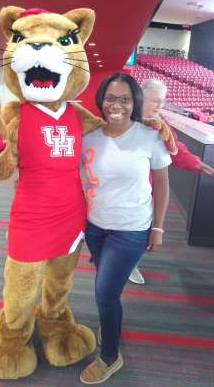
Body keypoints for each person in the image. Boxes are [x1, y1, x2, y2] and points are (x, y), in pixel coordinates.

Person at [80, 73, 171, 384]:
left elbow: (161, 183)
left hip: (131, 230)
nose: (116, 104)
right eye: (110, 98)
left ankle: (110, 356)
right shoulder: (89, 136)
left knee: (105, 294)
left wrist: (157, 228)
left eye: (124, 99)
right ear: (101, 101)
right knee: (108, 289)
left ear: (135, 104)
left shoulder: (149, 137)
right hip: (95, 227)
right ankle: (110, 323)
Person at [129, 79, 214, 285]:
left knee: (142, 231)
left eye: (163, 101)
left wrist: (195, 163)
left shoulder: (160, 124)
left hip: (145, 189)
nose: (160, 106)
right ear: (140, 98)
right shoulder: (122, 118)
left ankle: (130, 264)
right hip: (118, 188)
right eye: (155, 101)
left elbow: (175, 148)